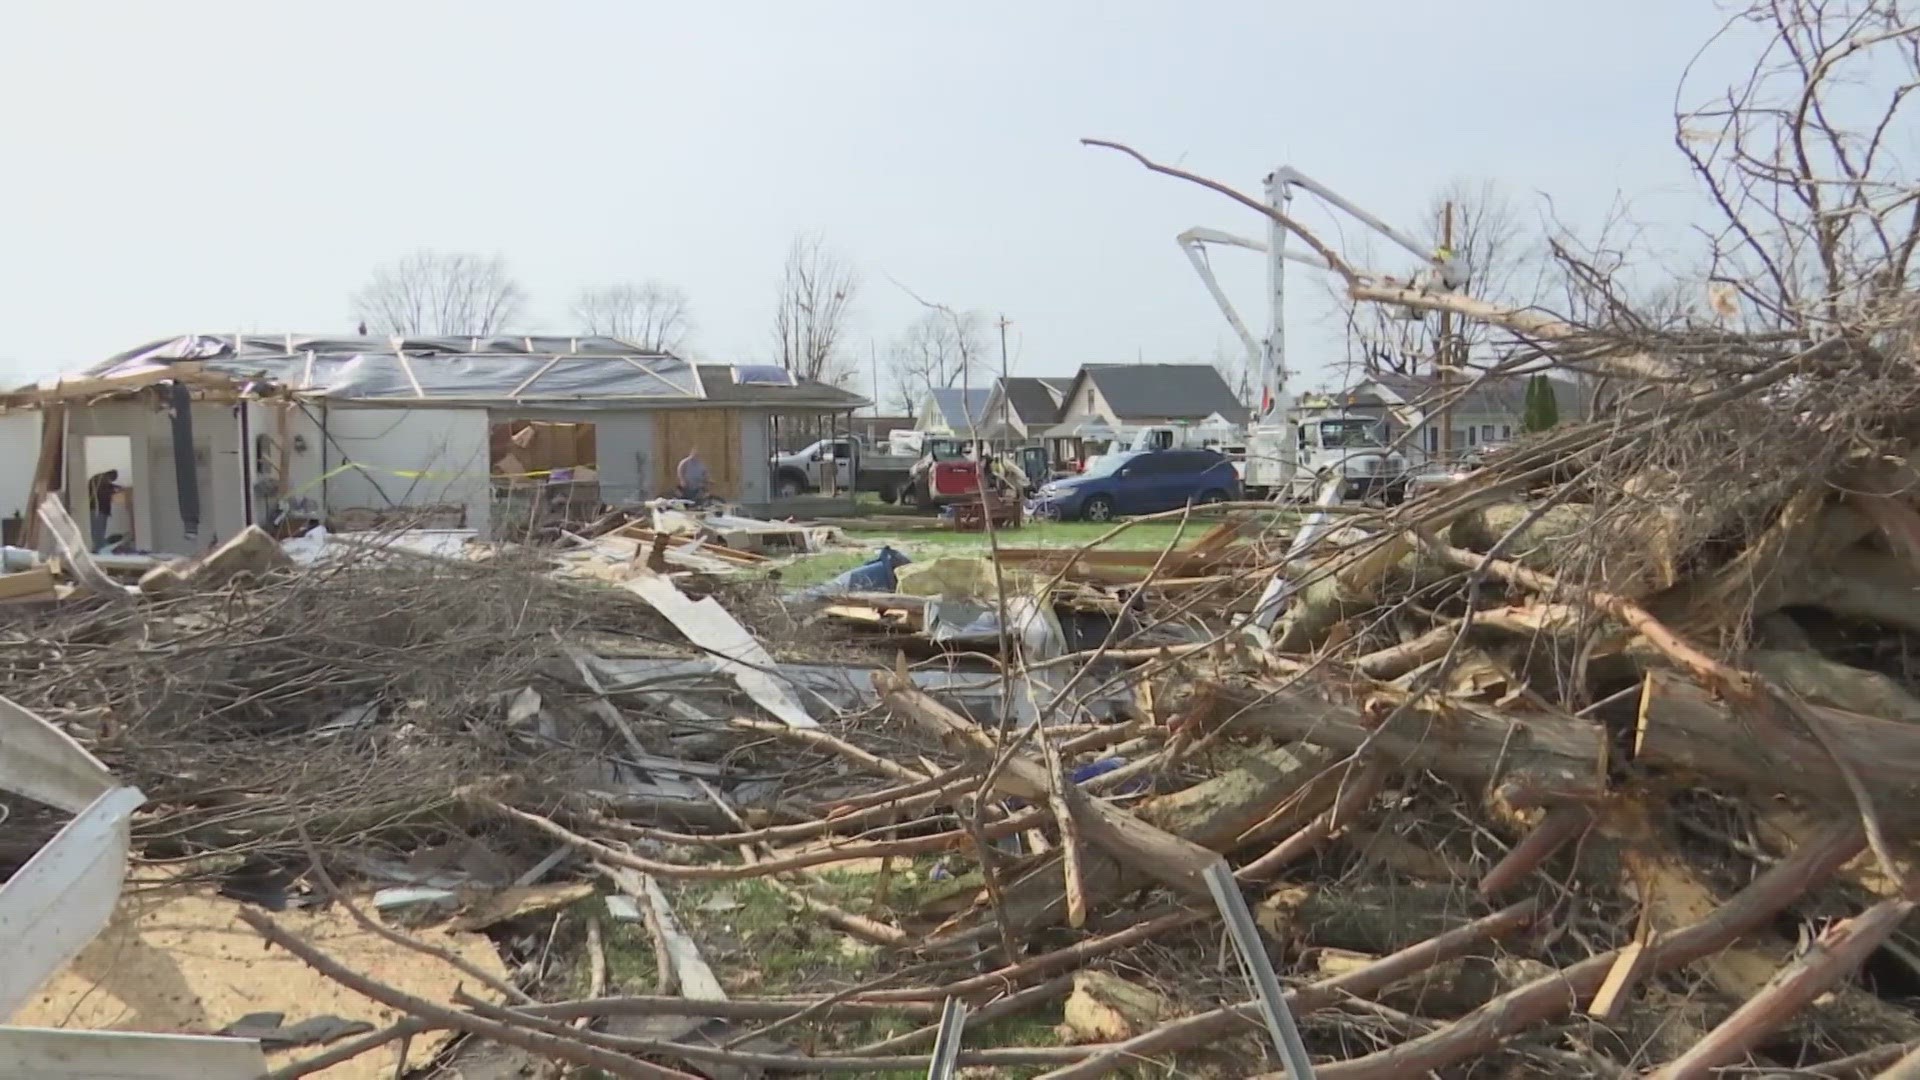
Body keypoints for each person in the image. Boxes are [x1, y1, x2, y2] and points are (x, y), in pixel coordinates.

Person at [87, 469, 124, 548]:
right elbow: (104, 492)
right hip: (99, 509)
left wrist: (115, 488)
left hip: (94, 508)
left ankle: (96, 546)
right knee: (99, 531)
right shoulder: (102, 480)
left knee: (95, 531)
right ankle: (98, 547)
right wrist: (114, 491)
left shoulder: (97, 479)